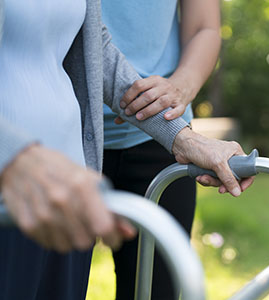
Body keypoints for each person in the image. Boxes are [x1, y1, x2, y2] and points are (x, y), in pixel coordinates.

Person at [0, 1, 253, 300]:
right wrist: (16, 156)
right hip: (19, 183)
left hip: (74, 171)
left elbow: (96, 51)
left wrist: (181, 137)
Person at [100, 1, 221, 299]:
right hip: (61, 135)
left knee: (157, 291)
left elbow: (205, 27)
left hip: (162, 138)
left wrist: (179, 88)